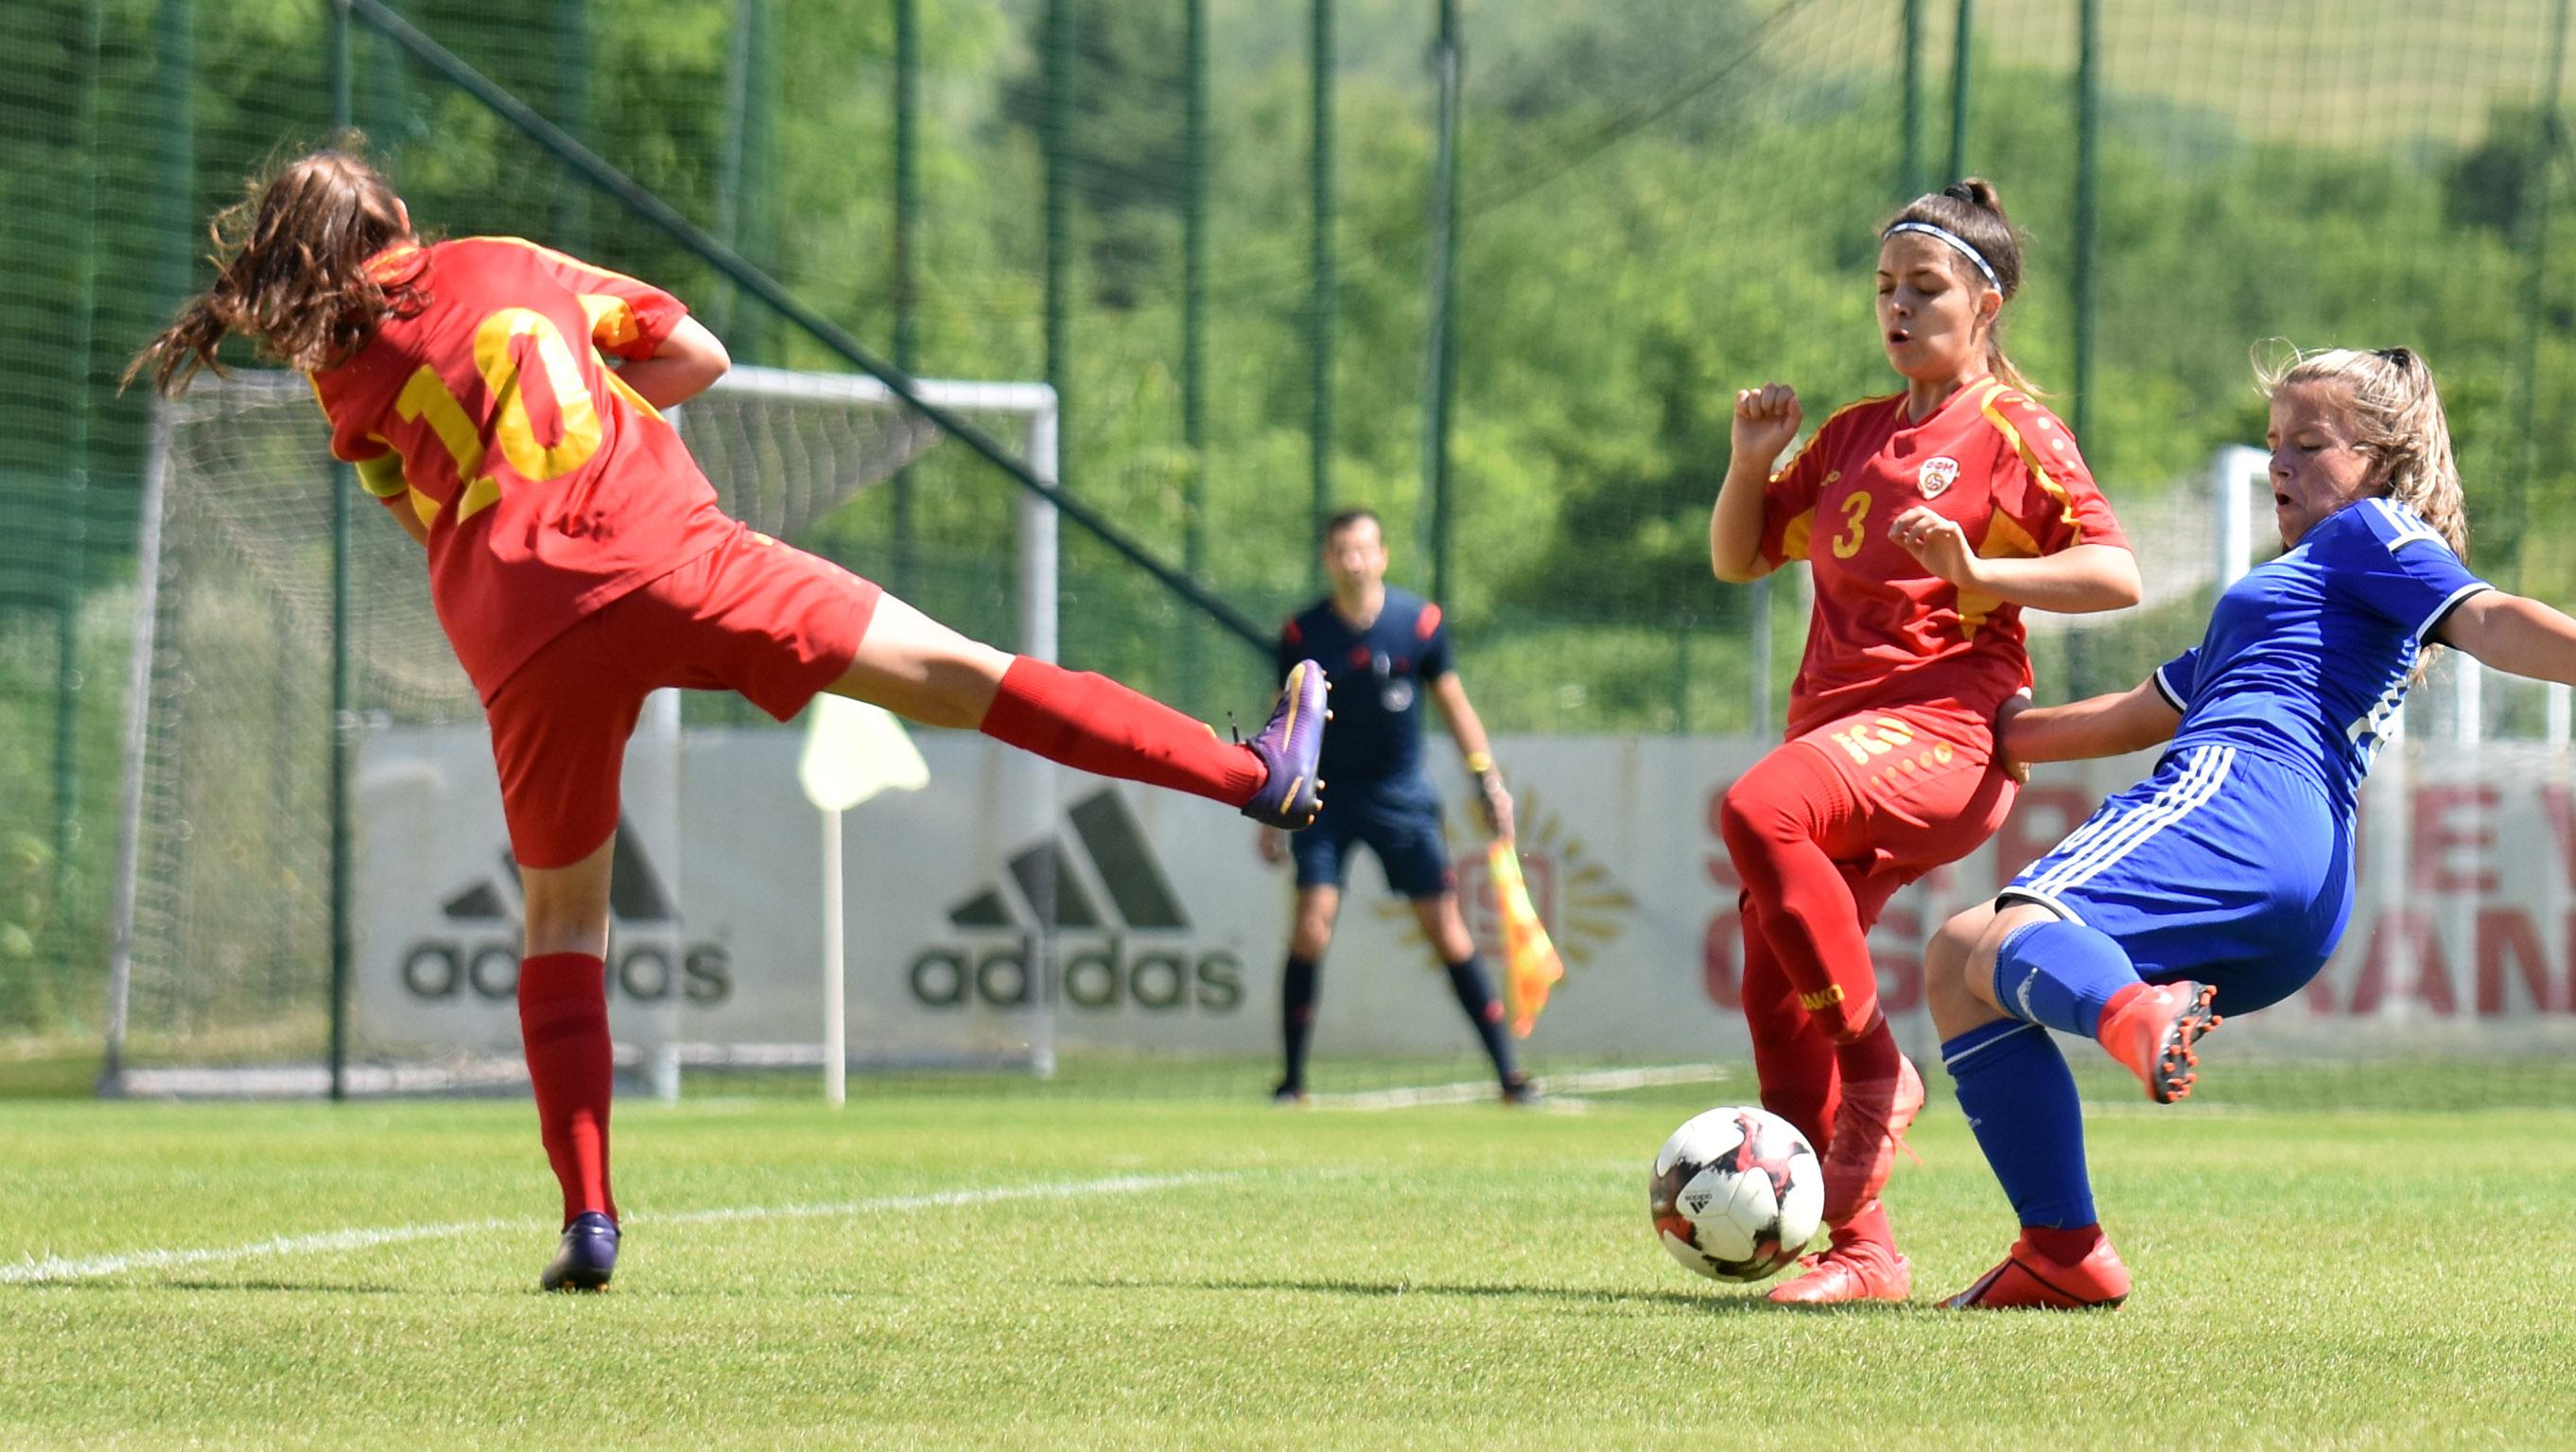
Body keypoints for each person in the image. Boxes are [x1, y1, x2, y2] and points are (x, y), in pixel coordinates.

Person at [128, 145, 1331, 1293]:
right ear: (396, 222)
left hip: (518, 634)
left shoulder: (341, 376)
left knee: (561, 921)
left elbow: (425, 517)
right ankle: (1247, 774)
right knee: (965, 674)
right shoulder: (503, 258)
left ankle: (588, 1216)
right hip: (663, 554)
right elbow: (697, 355)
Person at [1925, 344, 2576, 1311]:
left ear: (2383, 464)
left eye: (2310, 443)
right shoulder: (2292, 593)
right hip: (2305, 884)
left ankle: (2137, 1009)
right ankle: (2062, 1250)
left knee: (2003, 934)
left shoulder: (2371, 532)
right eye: (2273, 445)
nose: (2281, 466)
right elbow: (2154, 702)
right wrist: (2008, 734)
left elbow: (2489, 616)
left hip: (2240, 794)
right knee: (1960, 963)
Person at [1707, 179, 2143, 1305]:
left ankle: (1877, 1073)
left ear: (1986, 302)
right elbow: (1743, 556)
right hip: (1841, 738)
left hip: (1944, 735)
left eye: (1926, 287)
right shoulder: (1857, 430)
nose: (1898, 307)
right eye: (1886, 288)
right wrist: (1754, 456)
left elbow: (2115, 570)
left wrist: (1982, 571)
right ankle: (1862, 1248)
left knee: (1760, 809)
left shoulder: (2010, 428)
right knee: (1773, 986)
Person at [1258, 509, 1536, 1105]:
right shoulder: (1303, 633)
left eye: (1362, 549)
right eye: (1340, 550)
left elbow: (1454, 704)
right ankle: (1291, 1082)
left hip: (1402, 800)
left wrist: (1487, 779)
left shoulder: (1420, 623)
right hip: (1325, 800)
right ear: (1327, 560)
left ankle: (1510, 1076)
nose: (1352, 560)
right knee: (1312, 924)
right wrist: (1266, 798)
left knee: (1447, 931)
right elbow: (1282, 714)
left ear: (1381, 555)